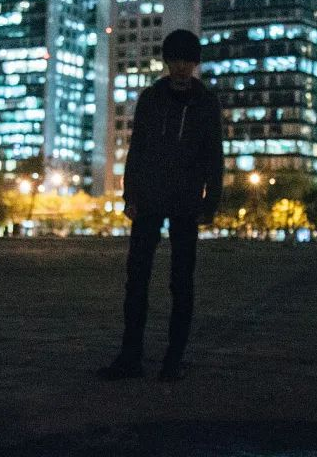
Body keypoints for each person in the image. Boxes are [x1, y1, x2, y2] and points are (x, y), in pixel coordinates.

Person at [98, 29, 224, 382]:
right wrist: (130, 194)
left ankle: (173, 358)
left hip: (186, 198)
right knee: (136, 278)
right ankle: (130, 356)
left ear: (194, 64)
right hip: (150, 195)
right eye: (175, 60)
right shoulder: (151, 98)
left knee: (181, 281)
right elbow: (137, 148)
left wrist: (211, 200)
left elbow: (214, 155)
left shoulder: (206, 102)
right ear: (167, 62)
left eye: (187, 60)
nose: (181, 66)